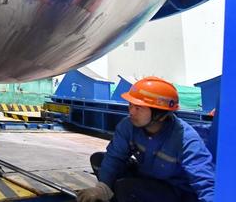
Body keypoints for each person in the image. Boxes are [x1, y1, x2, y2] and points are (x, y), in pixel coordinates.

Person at [77, 76, 215, 202]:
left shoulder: (186, 140)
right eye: (130, 105)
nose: (131, 111)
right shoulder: (128, 125)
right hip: (147, 177)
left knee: (126, 188)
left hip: (175, 191)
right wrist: (102, 187)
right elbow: (115, 157)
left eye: (138, 108)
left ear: (159, 114)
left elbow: (204, 181)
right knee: (99, 160)